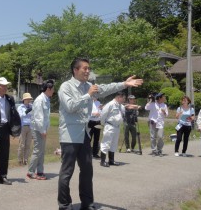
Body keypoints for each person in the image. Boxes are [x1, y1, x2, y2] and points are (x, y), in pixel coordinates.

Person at [57, 57, 143, 210]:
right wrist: (88, 95)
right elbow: (70, 106)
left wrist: (124, 83)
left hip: (84, 134)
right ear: (75, 70)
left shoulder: (88, 86)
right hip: (69, 135)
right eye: (85, 68)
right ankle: (64, 205)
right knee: (67, 172)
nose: (88, 71)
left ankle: (87, 204)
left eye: (88, 68)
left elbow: (106, 88)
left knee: (87, 170)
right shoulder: (66, 87)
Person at [27, 80, 54, 180]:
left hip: (42, 129)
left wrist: (45, 130)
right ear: (48, 89)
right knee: (37, 150)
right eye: (53, 89)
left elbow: (46, 117)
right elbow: (39, 117)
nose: (53, 91)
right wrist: (42, 131)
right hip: (38, 129)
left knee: (41, 151)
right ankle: (30, 172)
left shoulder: (46, 99)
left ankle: (40, 171)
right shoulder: (40, 100)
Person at [99, 92, 126, 167]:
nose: (124, 100)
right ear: (118, 97)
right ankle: (103, 161)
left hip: (117, 127)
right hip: (110, 126)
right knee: (106, 143)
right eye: (123, 98)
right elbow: (103, 115)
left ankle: (111, 160)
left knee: (114, 144)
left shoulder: (121, 106)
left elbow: (122, 115)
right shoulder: (110, 104)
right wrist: (103, 124)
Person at [145, 92, 168, 157]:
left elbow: (166, 115)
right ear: (160, 98)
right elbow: (146, 108)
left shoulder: (164, 105)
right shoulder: (153, 104)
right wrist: (150, 100)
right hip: (153, 122)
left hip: (160, 123)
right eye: (164, 97)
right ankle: (154, 150)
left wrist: (164, 112)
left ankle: (159, 149)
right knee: (153, 137)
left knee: (160, 137)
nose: (165, 98)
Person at [17, 92, 33, 165]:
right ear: (24, 100)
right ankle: (20, 159)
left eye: (29, 99)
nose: (29, 100)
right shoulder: (20, 107)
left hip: (30, 127)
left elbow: (33, 116)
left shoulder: (31, 106)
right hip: (23, 127)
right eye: (27, 99)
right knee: (22, 144)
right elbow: (20, 115)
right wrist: (26, 111)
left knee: (28, 144)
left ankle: (26, 159)